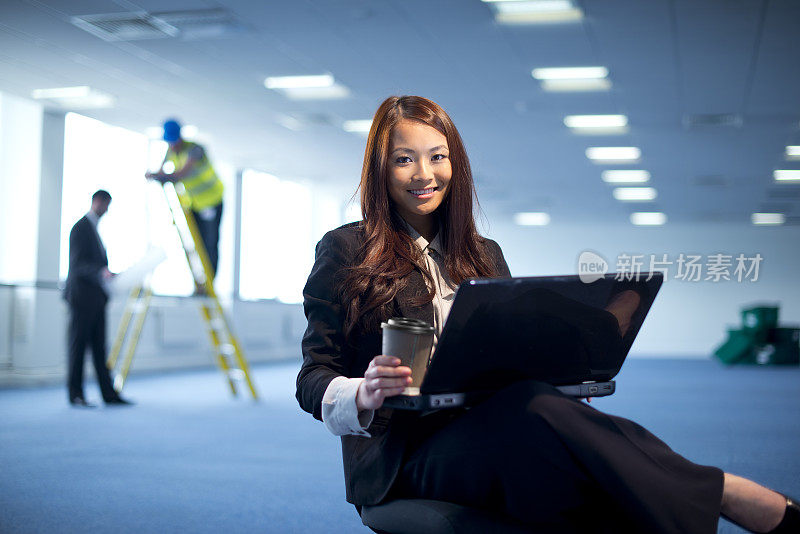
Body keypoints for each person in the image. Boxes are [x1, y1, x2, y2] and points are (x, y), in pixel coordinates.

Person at [296, 96, 799, 533]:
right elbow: (312, 376)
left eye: (437, 157)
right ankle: (724, 492)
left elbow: (510, 356)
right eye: (404, 159)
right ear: (380, 168)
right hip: (404, 454)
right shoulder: (347, 250)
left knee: (552, 431)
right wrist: (361, 392)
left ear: (457, 164)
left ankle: (710, 495)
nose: (424, 174)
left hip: (492, 427)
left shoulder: (483, 254)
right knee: (540, 421)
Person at [64, 190, 132, 407]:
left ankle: (108, 394)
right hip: (81, 300)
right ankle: (76, 394)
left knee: (100, 349)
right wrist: (100, 272)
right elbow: (77, 265)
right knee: (78, 348)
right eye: (106, 204)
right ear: (97, 201)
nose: (107, 210)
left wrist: (106, 274)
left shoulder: (94, 230)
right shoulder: (80, 228)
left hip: (96, 300)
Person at [146, 119, 224, 279]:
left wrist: (161, 176)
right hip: (195, 204)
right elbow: (163, 170)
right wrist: (157, 174)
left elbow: (181, 174)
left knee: (210, 243)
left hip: (212, 202)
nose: (172, 145)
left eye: (174, 141)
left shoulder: (195, 149)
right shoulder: (171, 151)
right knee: (198, 244)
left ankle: (210, 279)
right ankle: (200, 279)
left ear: (180, 137)